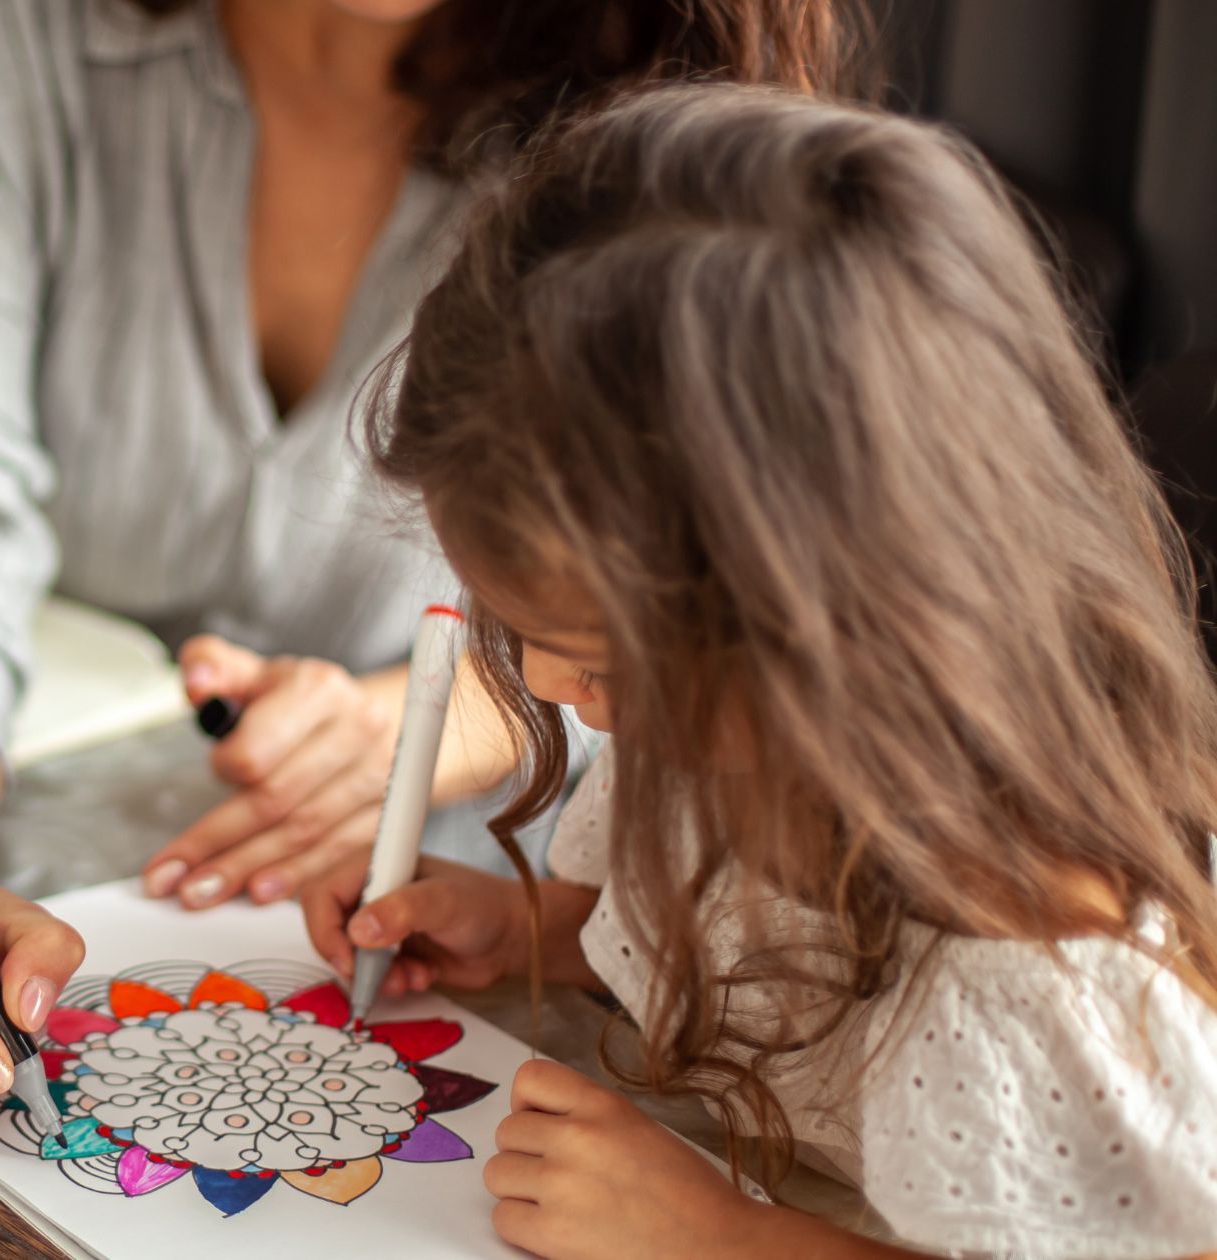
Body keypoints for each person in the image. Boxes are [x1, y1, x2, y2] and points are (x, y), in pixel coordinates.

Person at [0, 0, 863, 1108]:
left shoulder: (680, 83)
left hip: (530, 920)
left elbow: (746, 608)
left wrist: (472, 717)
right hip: (55, 828)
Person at [304, 84, 1217, 1259]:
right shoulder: (722, 747)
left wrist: (713, 1237)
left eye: (595, 660)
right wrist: (525, 931)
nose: (538, 677)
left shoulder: (1039, 970)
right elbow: (745, 948)